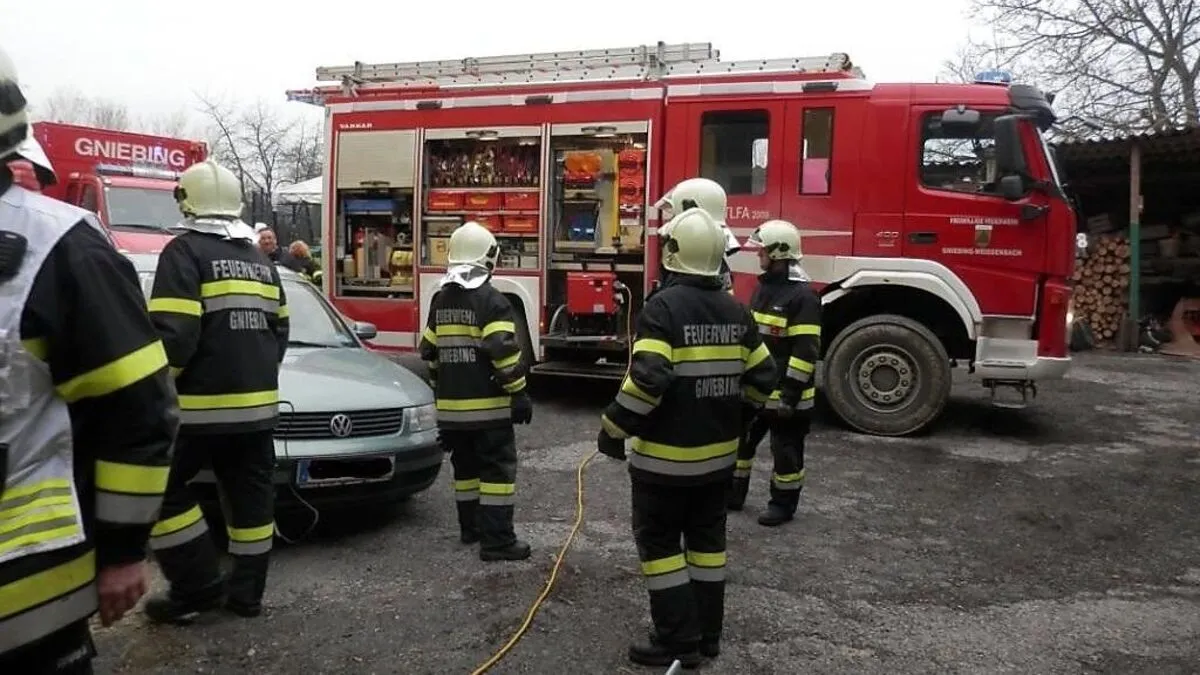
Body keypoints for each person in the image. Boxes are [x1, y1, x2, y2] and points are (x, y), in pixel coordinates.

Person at [0, 47, 179, 674]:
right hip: (29, 588)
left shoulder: (58, 249)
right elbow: (139, 405)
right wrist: (124, 551)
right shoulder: (64, 246)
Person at [596, 207, 777, 668]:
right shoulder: (736, 309)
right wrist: (740, 416)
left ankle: (679, 641)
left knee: (660, 548)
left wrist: (613, 429)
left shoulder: (662, 308)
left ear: (673, 255)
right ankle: (708, 635)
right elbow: (765, 374)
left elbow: (648, 380)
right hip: (717, 464)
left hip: (664, 465)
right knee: (707, 547)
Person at [142, 159, 289, 623]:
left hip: (196, 412)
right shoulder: (262, 261)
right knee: (252, 502)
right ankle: (246, 597)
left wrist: (156, 392)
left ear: (186, 201)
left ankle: (196, 585)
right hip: (257, 411)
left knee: (157, 489)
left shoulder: (182, 254)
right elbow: (279, 333)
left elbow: (176, 337)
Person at [417, 221, 533, 562]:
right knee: (496, 473)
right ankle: (497, 541)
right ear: (489, 257)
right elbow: (503, 353)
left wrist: (441, 401)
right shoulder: (492, 301)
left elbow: (430, 353)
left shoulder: (441, 298)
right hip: (489, 411)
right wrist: (519, 393)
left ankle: (471, 529)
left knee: (465, 470)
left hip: (453, 411)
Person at [739, 219, 821, 526]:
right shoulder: (763, 289)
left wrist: (789, 397)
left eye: (763, 250)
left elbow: (805, 352)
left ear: (780, 252)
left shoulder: (803, 297)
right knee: (742, 443)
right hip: (759, 391)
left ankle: (783, 505)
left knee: (786, 453)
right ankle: (734, 494)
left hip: (789, 397)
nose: (758, 255)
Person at [654, 177, 741, 292]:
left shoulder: (689, 264)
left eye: (674, 215)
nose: (671, 221)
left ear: (690, 209)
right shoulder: (712, 260)